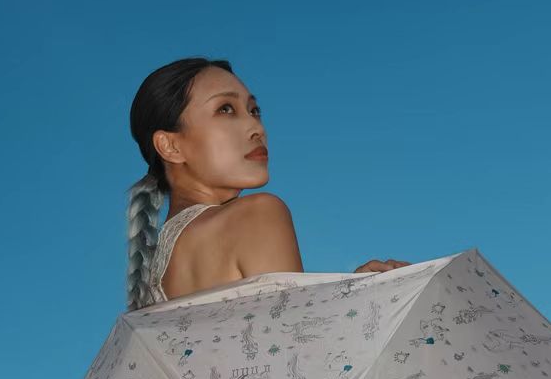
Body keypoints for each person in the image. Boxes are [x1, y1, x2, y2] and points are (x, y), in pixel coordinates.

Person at [125, 57, 410, 311]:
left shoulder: (154, 274)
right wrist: (367, 306)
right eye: (225, 109)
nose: (256, 128)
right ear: (170, 146)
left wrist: (344, 298)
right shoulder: (257, 214)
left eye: (254, 110)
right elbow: (298, 352)